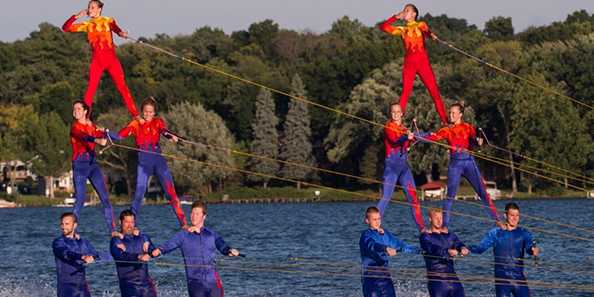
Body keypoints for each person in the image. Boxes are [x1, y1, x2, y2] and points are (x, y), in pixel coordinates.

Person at [416, 103, 501, 229]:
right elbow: (432, 136)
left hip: (469, 162)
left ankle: (498, 220)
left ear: (460, 114)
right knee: (450, 196)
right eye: (450, 113)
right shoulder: (447, 130)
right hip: (455, 165)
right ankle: (444, 226)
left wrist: (479, 142)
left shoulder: (468, 128)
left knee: (483, 193)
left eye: (454, 113)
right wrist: (416, 135)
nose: (451, 115)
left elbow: (473, 142)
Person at [109, 97, 187, 228]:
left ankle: (183, 223)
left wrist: (172, 136)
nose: (148, 114)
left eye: (151, 112)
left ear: (154, 113)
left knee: (171, 192)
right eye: (145, 111)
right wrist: (106, 134)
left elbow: (164, 131)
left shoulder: (158, 122)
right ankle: (130, 225)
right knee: (139, 194)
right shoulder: (135, 123)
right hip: (143, 162)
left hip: (158, 160)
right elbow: (120, 135)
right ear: (142, 112)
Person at [62, 0, 139, 118]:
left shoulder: (108, 20)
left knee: (122, 87)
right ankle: (85, 118)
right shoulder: (87, 25)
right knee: (91, 89)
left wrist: (121, 33)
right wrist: (77, 16)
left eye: (93, 7)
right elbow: (65, 28)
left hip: (112, 60)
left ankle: (135, 115)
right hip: (97, 61)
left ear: (99, 9)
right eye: (89, 7)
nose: (90, 9)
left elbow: (116, 29)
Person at [151, 201, 240, 297]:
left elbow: (222, 245)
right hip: (195, 284)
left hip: (213, 282)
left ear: (204, 216)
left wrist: (229, 250)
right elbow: (166, 247)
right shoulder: (183, 235)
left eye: (197, 214)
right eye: (192, 213)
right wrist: (154, 252)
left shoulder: (211, 234)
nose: (194, 216)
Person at [379, 3, 448, 125]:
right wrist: (396, 17)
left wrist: (432, 35)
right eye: (404, 10)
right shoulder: (402, 30)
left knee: (434, 92)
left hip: (423, 63)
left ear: (414, 14)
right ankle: (396, 123)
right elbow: (383, 27)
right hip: (409, 64)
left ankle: (445, 122)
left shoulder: (421, 24)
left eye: (407, 10)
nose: (404, 12)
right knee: (405, 92)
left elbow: (427, 32)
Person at [469, 203, 539, 297]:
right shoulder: (495, 233)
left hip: (518, 278)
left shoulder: (524, 233)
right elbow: (480, 248)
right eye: (512, 215)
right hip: (502, 280)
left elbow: (529, 247)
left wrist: (533, 250)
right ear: (505, 215)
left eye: (517, 215)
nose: (515, 218)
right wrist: (465, 248)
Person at [70, 100, 117, 235]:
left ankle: (112, 230)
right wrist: (97, 140)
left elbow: (109, 136)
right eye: (74, 109)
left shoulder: (92, 126)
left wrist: (106, 134)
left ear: (85, 111)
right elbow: (83, 136)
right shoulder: (75, 128)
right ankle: (72, 231)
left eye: (79, 109)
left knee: (105, 199)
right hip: (79, 166)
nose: (75, 111)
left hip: (92, 165)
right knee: (80, 199)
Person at [378, 102, 425, 232]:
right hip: (391, 168)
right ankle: (375, 225)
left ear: (402, 114)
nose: (396, 114)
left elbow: (415, 137)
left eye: (398, 112)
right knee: (386, 197)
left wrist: (431, 136)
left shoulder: (405, 129)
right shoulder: (388, 127)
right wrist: (406, 137)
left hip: (404, 168)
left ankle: (422, 228)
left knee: (414, 198)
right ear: (390, 113)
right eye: (393, 112)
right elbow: (395, 140)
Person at [359, 206, 420, 297]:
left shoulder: (385, 234)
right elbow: (372, 245)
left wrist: (419, 251)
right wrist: (385, 248)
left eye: (379, 219)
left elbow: (401, 245)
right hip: (370, 278)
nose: (377, 222)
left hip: (385, 277)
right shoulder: (366, 235)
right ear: (367, 221)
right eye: (374, 219)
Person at [420, 208, 468, 297]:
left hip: (454, 281)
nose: (439, 221)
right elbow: (432, 249)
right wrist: (448, 251)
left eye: (441, 218)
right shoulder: (425, 237)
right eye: (436, 218)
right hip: (437, 283)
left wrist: (463, 248)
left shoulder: (449, 235)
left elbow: (458, 243)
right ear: (430, 219)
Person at [110, 209, 157, 297]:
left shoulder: (143, 238)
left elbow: (154, 251)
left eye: (132, 222)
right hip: (129, 287)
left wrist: (150, 251)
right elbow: (120, 256)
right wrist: (138, 256)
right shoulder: (116, 240)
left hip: (146, 288)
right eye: (126, 222)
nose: (129, 225)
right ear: (120, 222)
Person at [52, 212, 99, 297]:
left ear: (74, 225)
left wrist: (91, 257)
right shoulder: (58, 242)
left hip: (82, 286)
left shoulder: (82, 242)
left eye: (67, 224)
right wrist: (82, 257)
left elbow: (95, 253)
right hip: (66, 287)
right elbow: (66, 253)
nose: (63, 227)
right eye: (62, 224)